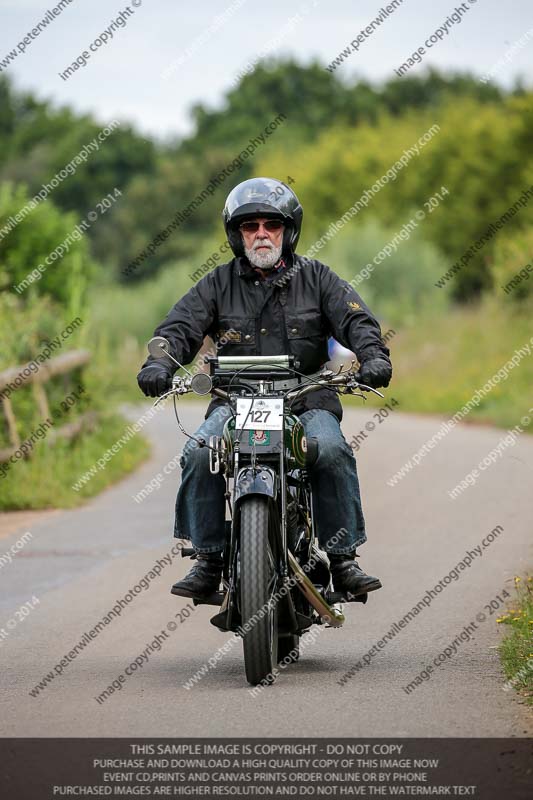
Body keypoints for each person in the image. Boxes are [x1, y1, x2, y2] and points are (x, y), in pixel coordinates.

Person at [137, 177, 392, 600]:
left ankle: (343, 559)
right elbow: (179, 328)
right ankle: (208, 558)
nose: (260, 234)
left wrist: (374, 357)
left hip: (305, 398)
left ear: (287, 231)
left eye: (270, 225)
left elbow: (357, 321)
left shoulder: (319, 279)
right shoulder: (215, 284)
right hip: (234, 401)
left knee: (328, 448)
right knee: (200, 451)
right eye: (250, 226)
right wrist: (159, 363)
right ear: (237, 235)